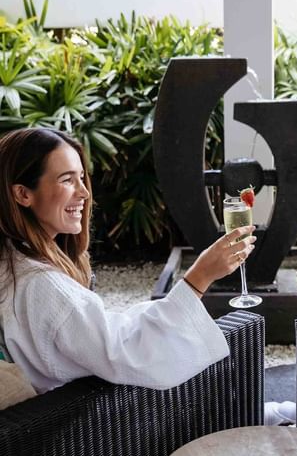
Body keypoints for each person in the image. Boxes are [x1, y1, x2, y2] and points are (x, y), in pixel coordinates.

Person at [0, 127, 256, 394]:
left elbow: (103, 331)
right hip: (81, 424)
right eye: (66, 180)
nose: (84, 193)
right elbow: (131, 353)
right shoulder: (43, 285)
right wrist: (200, 277)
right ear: (23, 194)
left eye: (81, 178)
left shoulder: (12, 259)